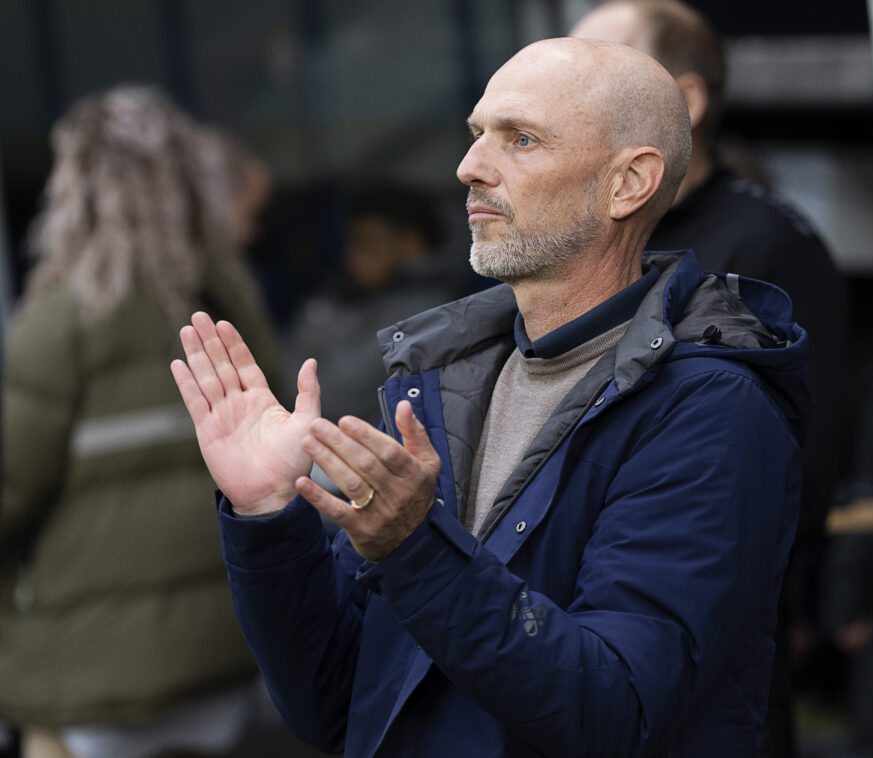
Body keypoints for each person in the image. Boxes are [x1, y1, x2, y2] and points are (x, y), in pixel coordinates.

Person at [172, 38, 811, 757]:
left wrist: (416, 549)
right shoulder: (442, 384)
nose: (470, 167)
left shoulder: (711, 408)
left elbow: (615, 708)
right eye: (477, 134)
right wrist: (268, 516)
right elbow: (341, 706)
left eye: (522, 139)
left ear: (628, 183)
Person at [570, 5, 851, 753]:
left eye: (595, 70)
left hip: (703, 640)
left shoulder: (766, 245)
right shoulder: (585, 240)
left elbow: (802, 459)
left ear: (684, 104)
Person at [0, 86, 281, 758]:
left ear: (77, 189)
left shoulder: (62, 318)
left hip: (91, 665)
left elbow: (11, 489)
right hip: (221, 649)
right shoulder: (227, 296)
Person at [286, 185, 467, 426]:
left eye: (368, 244)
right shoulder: (357, 293)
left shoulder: (425, 313)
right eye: (351, 243)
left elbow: (328, 394)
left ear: (412, 245)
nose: (351, 257)